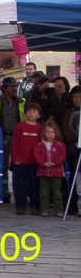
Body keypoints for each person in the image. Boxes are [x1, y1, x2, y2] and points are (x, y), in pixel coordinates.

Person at [0, 76, 26, 204]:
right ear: (4, 88)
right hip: (2, 137)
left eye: (15, 86)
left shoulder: (21, 102)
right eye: (12, 86)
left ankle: (19, 194)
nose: (14, 88)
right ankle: (4, 194)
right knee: (1, 166)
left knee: (18, 167)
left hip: (17, 138)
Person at [11, 102, 43, 216]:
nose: (31, 113)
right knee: (20, 185)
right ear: (25, 113)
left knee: (34, 185)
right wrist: (16, 158)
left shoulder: (40, 128)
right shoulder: (19, 126)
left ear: (38, 115)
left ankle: (34, 205)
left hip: (35, 161)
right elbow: (15, 144)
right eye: (29, 111)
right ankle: (20, 205)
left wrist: (40, 160)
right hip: (21, 161)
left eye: (34, 111)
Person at [34, 123, 66, 217]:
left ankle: (59, 210)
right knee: (44, 191)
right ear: (44, 133)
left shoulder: (60, 145)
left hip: (57, 171)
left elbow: (62, 156)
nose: (50, 134)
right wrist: (43, 162)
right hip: (43, 171)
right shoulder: (39, 144)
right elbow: (37, 155)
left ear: (56, 133)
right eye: (48, 132)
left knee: (57, 192)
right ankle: (44, 209)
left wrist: (54, 162)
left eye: (52, 132)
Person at [61, 85, 81, 216]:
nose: (77, 100)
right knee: (75, 176)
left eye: (79, 97)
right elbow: (67, 129)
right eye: (74, 97)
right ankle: (72, 204)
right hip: (74, 146)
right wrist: (74, 140)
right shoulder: (69, 112)